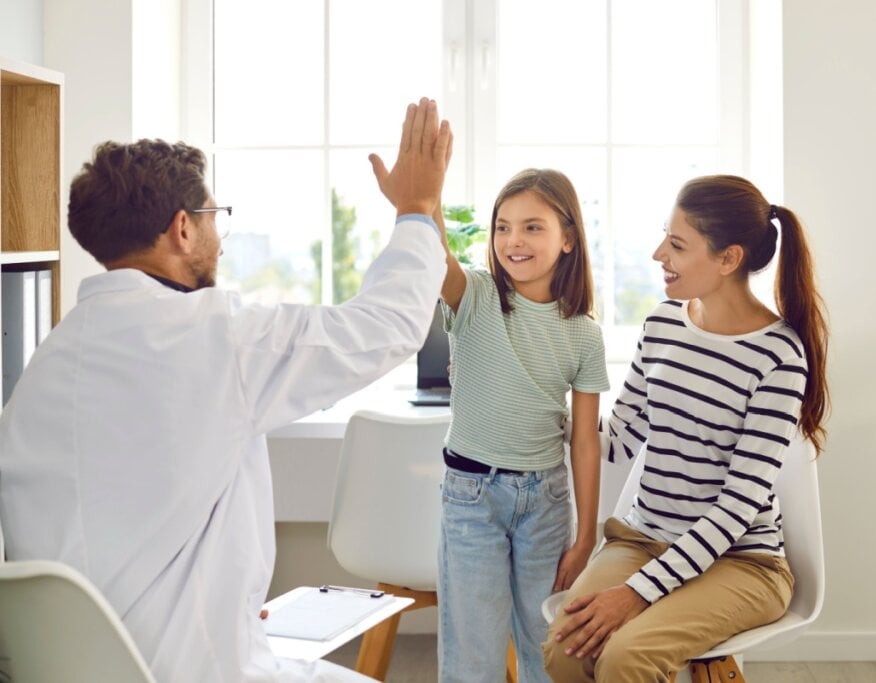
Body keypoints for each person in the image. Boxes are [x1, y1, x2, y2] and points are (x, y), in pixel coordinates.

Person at [0, 98, 451, 683]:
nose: (219, 232)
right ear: (183, 228)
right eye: (214, 214)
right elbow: (385, 329)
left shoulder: (45, 367)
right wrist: (416, 210)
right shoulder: (220, 338)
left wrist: (226, 602)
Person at [543, 174, 829, 682]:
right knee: (567, 646)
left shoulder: (778, 356)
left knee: (626, 657)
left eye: (677, 245)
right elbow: (619, 440)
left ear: (728, 259)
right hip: (642, 539)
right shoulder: (664, 324)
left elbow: (739, 506)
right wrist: (540, 398)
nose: (659, 254)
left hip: (743, 563)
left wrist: (636, 593)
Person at [436, 169, 609, 682]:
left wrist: (585, 536)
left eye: (533, 227)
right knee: (474, 654)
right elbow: (435, 255)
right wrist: (423, 195)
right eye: (503, 226)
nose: (513, 240)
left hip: (546, 503)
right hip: (471, 498)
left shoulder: (583, 333)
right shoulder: (476, 296)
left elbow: (584, 441)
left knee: (549, 649)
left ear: (569, 238)